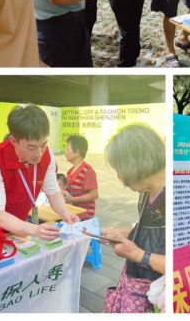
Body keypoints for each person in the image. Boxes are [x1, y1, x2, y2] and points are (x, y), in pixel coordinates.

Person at [0, 105, 79, 241]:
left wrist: (65, 212)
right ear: (13, 141)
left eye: (43, 145)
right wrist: (35, 229)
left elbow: (53, 192)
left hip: (20, 227)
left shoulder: (47, 156)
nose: (38, 154)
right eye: (31, 147)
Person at [101, 124, 165, 313]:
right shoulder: (146, 191)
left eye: (119, 169)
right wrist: (118, 232)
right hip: (138, 286)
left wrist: (138, 255)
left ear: (136, 165)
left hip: (160, 296)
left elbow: (185, 264)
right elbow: (145, 225)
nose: (120, 176)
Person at [64, 134, 99, 220]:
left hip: (84, 216)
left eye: (67, 149)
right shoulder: (70, 171)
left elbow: (94, 194)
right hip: (73, 214)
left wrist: (73, 199)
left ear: (77, 152)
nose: (65, 153)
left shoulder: (87, 170)